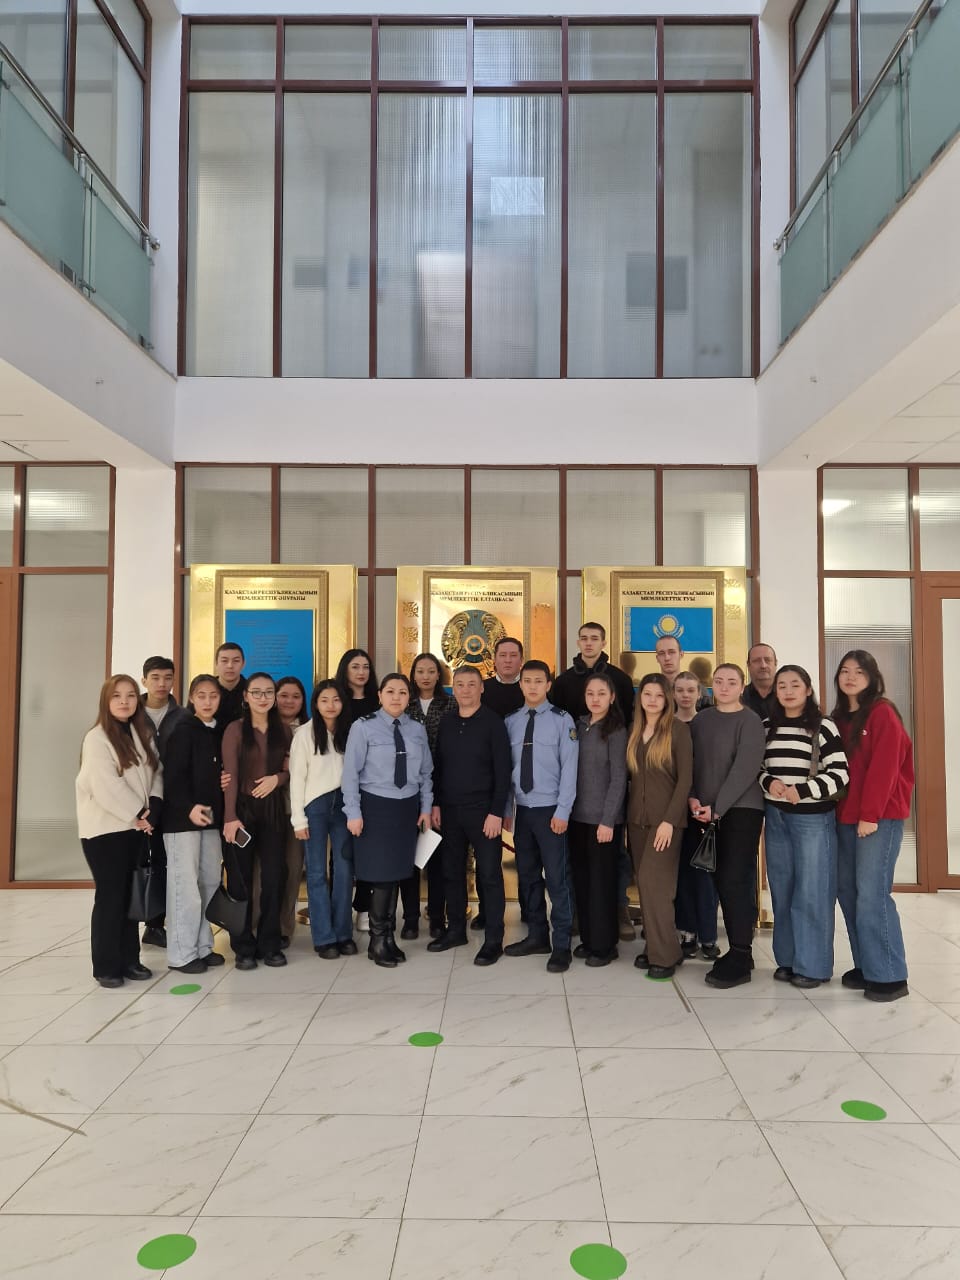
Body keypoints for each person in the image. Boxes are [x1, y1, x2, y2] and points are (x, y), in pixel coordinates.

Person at [760, 665, 849, 990]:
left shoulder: (823, 726)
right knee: (782, 889)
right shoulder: (767, 726)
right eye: (782, 686)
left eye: (795, 685)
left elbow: (840, 773)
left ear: (808, 690)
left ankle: (813, 966)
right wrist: (769, 781)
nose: (788, 691)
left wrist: (804, 790)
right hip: (776, 817)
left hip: (813, 819)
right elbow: (757, 768)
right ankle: (788, 960)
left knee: (813, 891)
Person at [832, 650, 914, 1002]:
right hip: (845, 818)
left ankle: (890, 975)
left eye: (859, 672)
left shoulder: (882, 713)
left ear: (872, 678)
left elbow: (886, 767)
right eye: (845, 671)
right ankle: (867, 965)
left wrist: (870, 814)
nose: (851, 677)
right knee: (849, 892)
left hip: (877, 819)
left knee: (872, 894)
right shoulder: (837, 719)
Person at [75, 675, 162, 988]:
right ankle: (106, 966)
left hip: (135, 828)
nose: (124, 701)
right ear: (106, 701)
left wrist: (154, 804)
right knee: (111, 897)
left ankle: (130, 960)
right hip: (105, 832)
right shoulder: (96, 738)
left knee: (131, 896)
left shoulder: (141, 733)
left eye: (130, 695)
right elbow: (105, 785)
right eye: (116, 696)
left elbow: (157, 771)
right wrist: (138, 813)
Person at [342, 673, 433, 968]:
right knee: (380, 875)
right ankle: (377, 939)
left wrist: (425, 808)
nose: (396, 697)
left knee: (397, 874)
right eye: (390, 691)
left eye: (403, 692)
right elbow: (350, 773)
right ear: (380, 695)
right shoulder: (363, 727)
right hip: (375, 807)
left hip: (406, 808)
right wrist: (353, 812)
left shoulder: (417, 729)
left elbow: (426, 773)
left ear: (409, 697)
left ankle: (388, 938)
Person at [689, 663, 767, 989]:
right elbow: (692, 763)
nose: (724, 687)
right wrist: (693, 798)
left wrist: (718, 808)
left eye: (731, 682)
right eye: (718, 681)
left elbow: (745, 769)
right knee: (720, 880)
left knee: (735, 879)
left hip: (741, 810)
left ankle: (740, 953)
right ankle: (739, 950)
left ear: (741, 686)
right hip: (706, 812)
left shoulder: (750, 721)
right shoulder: (701, 720)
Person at [430, 666, 512, 963]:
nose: (465, 690)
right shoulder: (448, 722)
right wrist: (436, 803)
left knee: (489, 874)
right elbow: (438, 766)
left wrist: (496, 812)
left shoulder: (493, 723)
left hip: (483, 812)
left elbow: (503, 772)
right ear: (453, 688)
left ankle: (494, 938)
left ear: (481, 688)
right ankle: (456, 930)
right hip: (450, 811)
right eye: (460, 684)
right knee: (452, 872)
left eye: (471, 684)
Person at [503, 660, 579, 974]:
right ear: (520, 684)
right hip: (523, 811)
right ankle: (537, 936)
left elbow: (570, 769)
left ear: (548, 685)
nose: (533, 686)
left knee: (557, 879)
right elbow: (506, 771)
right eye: (527, 681)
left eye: (539, 681)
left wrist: (563, 811)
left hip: (551, 811)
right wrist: (507, 810)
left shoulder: (562, 720)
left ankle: (561, 944)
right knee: (529, 876)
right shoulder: (511, 721)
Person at [222, 672, 292, 970]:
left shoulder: (284, 731)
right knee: (240, 880)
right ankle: (243, 946)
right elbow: (230, 776)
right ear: (246, 696)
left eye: (268, 693)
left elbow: (290, 769)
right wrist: (230, 817)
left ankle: (270, 942)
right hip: (242, 810)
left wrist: (277, 779)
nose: (263, 698)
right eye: (256, 692)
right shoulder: (235, 729)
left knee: (274, 877)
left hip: (273, 810)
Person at [626, 674, 692, 979]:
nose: (652, 700)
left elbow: (685, 780)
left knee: (656, 885)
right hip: (637, 821)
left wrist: (669, 821)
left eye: (659, 695)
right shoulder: (634, 729)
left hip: (666, 821)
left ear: (668, 699)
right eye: (647, 694)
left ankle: (664, 956)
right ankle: (656, 945)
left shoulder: (678, 730)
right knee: (645, 886)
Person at [160, 674, 226, 973]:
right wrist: (188, 807)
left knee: (208, 882)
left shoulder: (217, 731)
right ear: (191, 698)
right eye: (201, 695)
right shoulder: (182, 729)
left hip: (209, 817)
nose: (208, 701)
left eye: (213, 696)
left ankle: (202, 946)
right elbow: (171, 777)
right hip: (182, 819)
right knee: (184, 886)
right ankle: (181, 954)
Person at [290, 680, 357, 959]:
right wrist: (298, 820)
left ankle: (343, 933)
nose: (331, 705)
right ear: (315, 704)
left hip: (344, 805)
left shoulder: (350, 731)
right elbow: (297, 778)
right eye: (324, 700)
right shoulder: (304, 734)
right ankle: (324, 937)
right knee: (317, 872)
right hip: (314, 807)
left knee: (344, 869)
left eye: (336, 699)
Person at [569, 673, 628, 967]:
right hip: (577, 817)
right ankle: (589, 939)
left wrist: (608, 819)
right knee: (583, 880)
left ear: (612, 697)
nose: (595, 699)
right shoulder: (578, 725)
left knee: (602, 883)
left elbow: (619, 778)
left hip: (604, 821)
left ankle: (605, 946)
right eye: (590, 693)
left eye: (601, 693)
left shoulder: (616, 730)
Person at [403, 652, 456, 939]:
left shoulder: (451, 703)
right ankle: (410, 918)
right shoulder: (403, 703)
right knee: (409, 858)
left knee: (436, 858)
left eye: (431, 671)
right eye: (420, 671)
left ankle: (437, 917)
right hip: (407, 788)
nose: (425, 676)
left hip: (441, 788)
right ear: (413, 675)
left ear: (439, 675)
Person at [139, 656, 187, 949]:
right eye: (155, 677)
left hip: (172, 801)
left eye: (167, 677)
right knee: (138, 864)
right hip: (138, 801)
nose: (162, 683)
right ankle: (138, 918)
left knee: (164, 861)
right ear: (144, 680)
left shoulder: (182, 716)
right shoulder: (131, 712)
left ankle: (157, 924)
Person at [672, 671, 720, 960]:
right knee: (681, 873)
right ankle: (686, 931)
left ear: (700, 693)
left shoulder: (707, 724)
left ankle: (708, 936)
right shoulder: (667, 725)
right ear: (673, 693)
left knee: (704, 873)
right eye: (680, 690)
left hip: (703, 808)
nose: (686, 695)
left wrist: (706, 802)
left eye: (691, 690)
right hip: (675, 808)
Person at [334, 648, 379, 931]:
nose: (361, 672)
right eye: (355, 667)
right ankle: (337, 911)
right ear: (345, 670)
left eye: (365, 667)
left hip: (371, 785)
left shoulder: (378, 702)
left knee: (366, 848)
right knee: (340, 852)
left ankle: (363, 906)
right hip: (338, 783)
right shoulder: (336, 701)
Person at [275, 675, 309, 945]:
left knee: (292, 868)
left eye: (296, 696)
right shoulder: (262, 726)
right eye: (284, 695)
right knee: (263, 871)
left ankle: (284, 928)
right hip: (265, 808)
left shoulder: (309, 730)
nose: (289, 701)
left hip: (297, 810)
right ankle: (260, 924)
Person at [551, 622, 635, 724]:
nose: (588, 643)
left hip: (610, 733)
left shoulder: (621, 679)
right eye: (584, 638)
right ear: (578, 643)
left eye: (594, 639)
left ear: (603, 644)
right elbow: (556, 718)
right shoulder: (563, 681)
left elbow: (628, 717)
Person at [481, 636, 525, 719]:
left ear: (521, 660)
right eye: (503, 655)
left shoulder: (532, 688)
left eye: (513, 655)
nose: (508, 660)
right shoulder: (481, 689)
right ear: (494, 660)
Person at [743, 642, 778, 719]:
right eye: (757, 661)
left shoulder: (789, 696)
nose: (763, 665)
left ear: (776, 663)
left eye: (768, 660)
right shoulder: (738, 698)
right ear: (748, 665)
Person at [215, 642, 247, 725]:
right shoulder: (205, 689)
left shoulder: (251, 690)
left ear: (243, 664)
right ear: (216, 664)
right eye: (224, 661)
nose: (230, 666)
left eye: (236, 661)